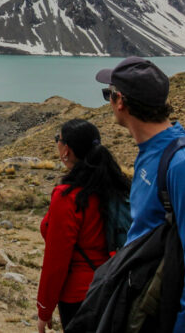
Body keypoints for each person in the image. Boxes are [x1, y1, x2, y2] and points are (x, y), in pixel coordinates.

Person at [97, 56, 185, 333]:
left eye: (107, 95)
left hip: (165, 316)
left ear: (120, 101)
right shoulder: (153, 154)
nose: (108, 102)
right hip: (146, 304)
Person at [37, 119, 130, 332]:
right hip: (114, 286)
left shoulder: (67, 197)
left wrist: (44, 308)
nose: (57, 144)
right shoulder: (114, 185)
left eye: (58, 140)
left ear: (66, 150)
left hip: (80, 296)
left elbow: (56, 260)